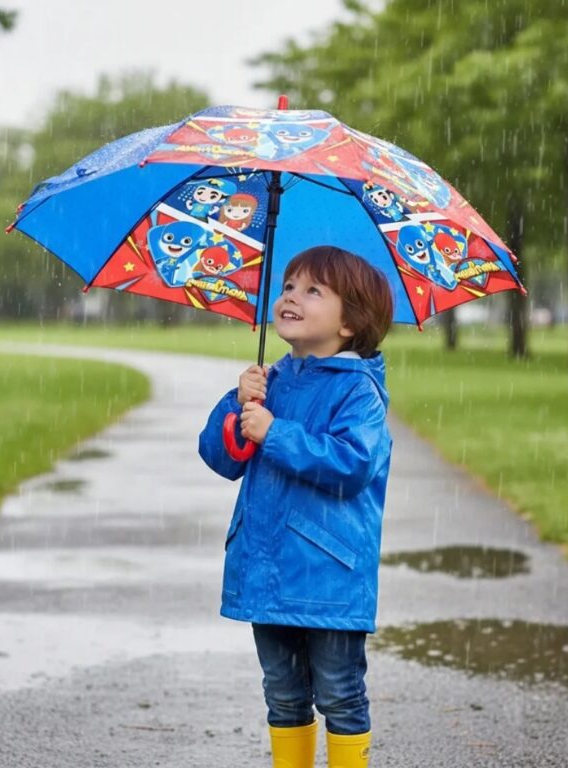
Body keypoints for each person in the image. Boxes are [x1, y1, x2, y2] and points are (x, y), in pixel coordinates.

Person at [199, 245, 394, 768]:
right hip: (267, 567)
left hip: (328, 573)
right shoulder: (272, 382)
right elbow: (221, 457)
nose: (291, 297)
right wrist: (238, 403)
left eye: (313, 291)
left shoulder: (358, 391)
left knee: (338, 693)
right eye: (288, 286)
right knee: (283, 694)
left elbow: (352, 465)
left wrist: (276, 432)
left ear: (350, 322)